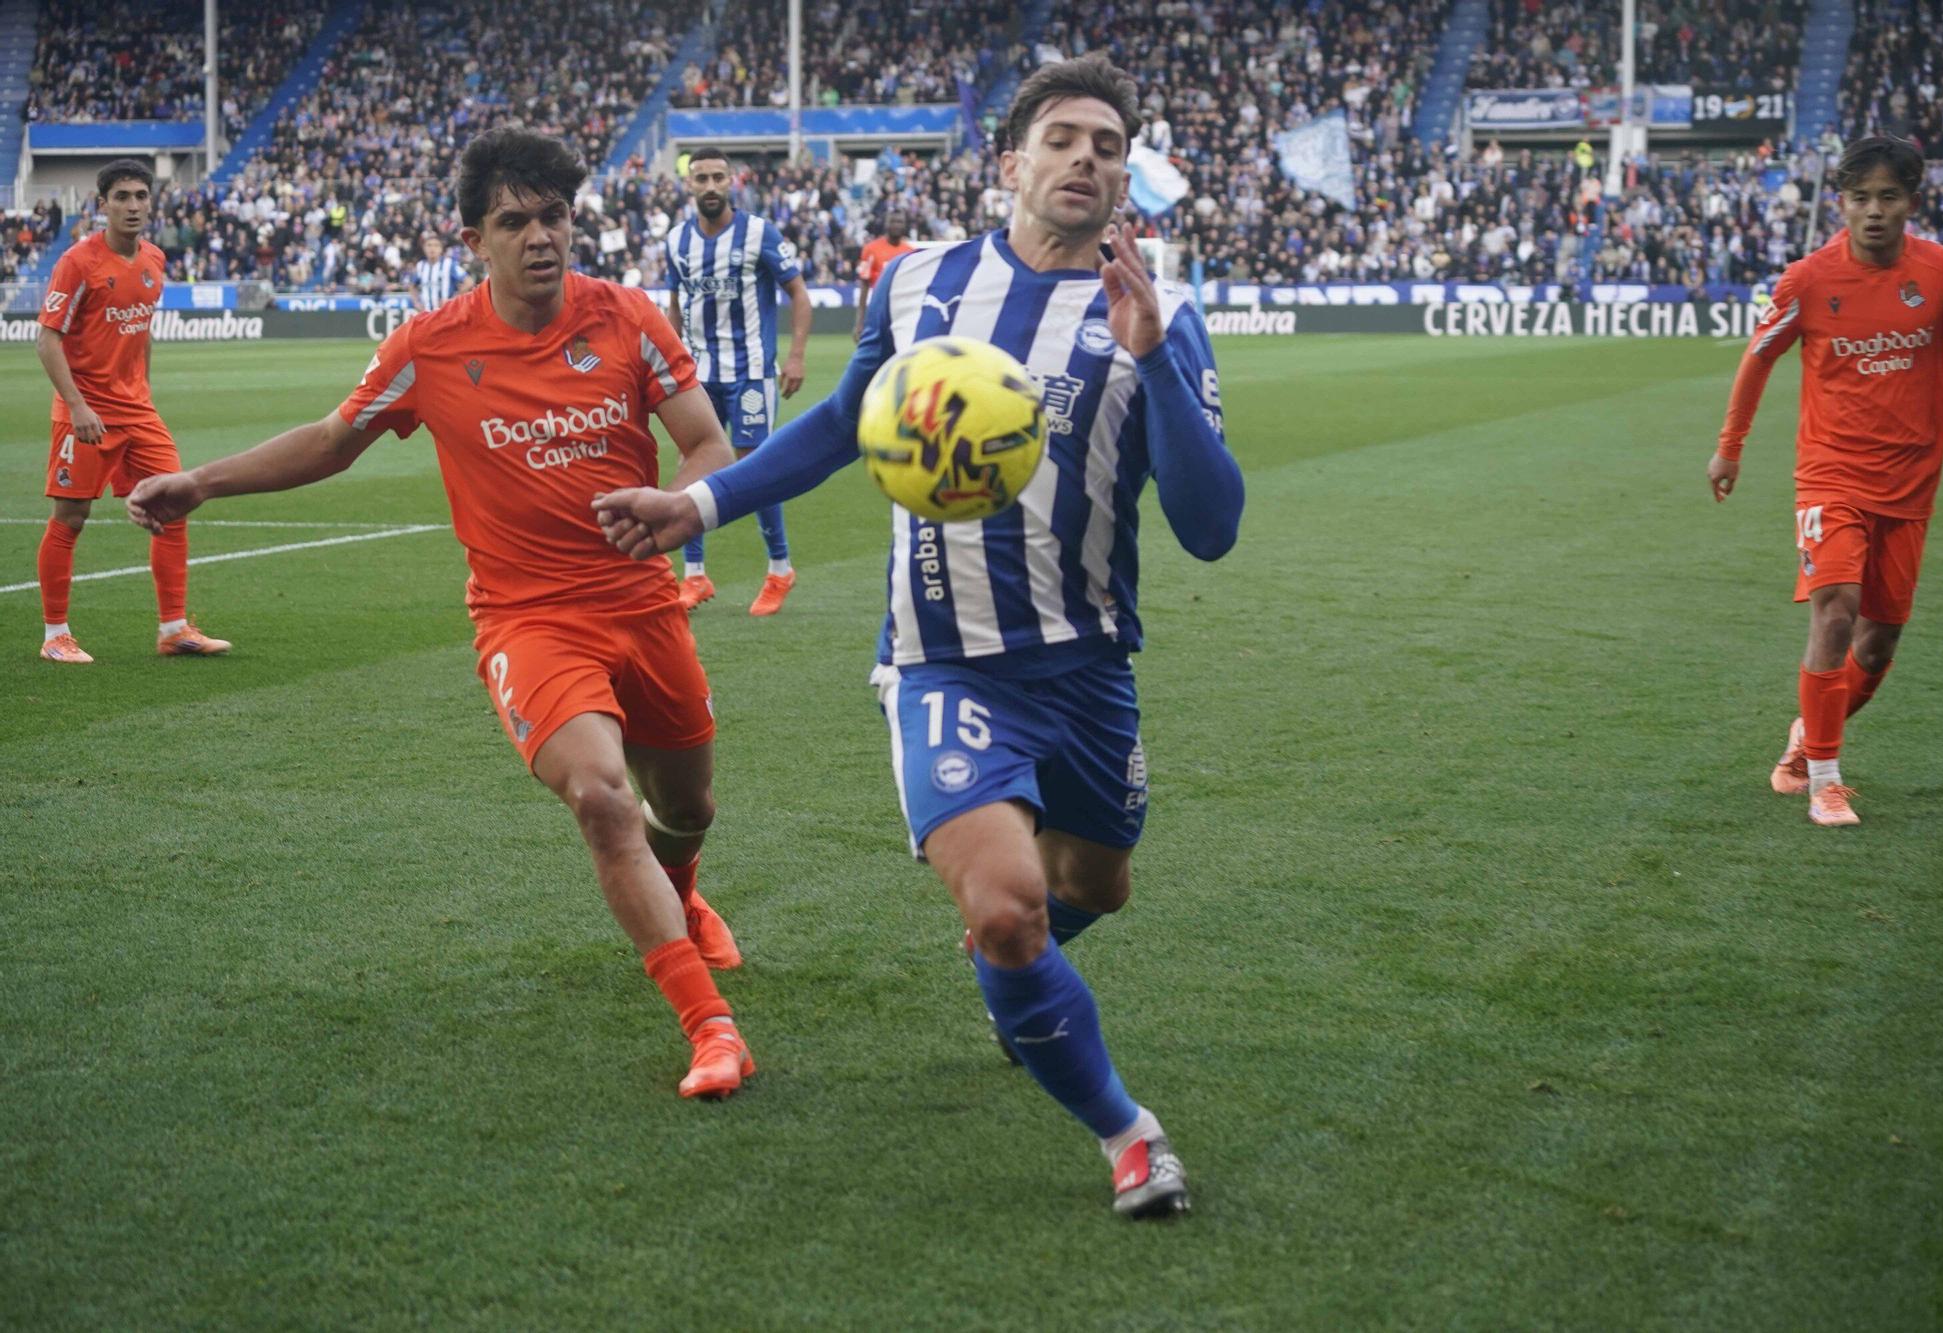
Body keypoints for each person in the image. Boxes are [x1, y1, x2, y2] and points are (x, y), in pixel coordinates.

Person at [595, 54, 1245, 1217]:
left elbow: (1211, 528)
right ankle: (1127, 1135)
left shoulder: (1161, 314)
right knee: (1004, 905)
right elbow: (840, 425)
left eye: (1106, 143)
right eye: (1061, 138)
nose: (1083, 158)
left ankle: (1022, 970)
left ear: (1123, 178)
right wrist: (696, 506)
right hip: (942, 660)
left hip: (1089, 667)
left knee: (1094, 882)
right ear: (1011, 164)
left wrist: (1148, 353)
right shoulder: (921, 284)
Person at [126, 129, 758, 1100]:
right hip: (528, 619)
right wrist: (201, 482)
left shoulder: (628, 318)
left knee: (687, 807)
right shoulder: (432, 344)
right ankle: (709, 1027)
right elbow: (337, 440)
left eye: (554, 216)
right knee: (598, 796)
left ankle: (680, 891)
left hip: (641, 606)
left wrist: (680, 504)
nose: (539, 236)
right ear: (473, 238)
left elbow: (709, 444)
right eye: (515, 220)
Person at [1708, 136, 1943, 827]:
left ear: (1912, 203)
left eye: (1888, 196)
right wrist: (1730, 447)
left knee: (1879, 642)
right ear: (1840, 203)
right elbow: (1757, 358)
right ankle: (1826, 783)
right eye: (1859, 197)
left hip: (1912, 481)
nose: (1873, 211)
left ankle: (1808, 740)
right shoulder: (1808, 279)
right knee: (1835, 608)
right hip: (1830, 472)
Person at [34, 158, 230, 663]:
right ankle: (55, 634)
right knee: (71, 517)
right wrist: (76, 405)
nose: (133, 206)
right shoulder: (79, 262)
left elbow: (139, 334)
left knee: (176, 501)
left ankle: (174, 629)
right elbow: (47, 339)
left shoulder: (155, 260)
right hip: (87, 413)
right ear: (102, 205)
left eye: (141, 196)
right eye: (122, 197)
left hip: (138, 412)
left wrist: (143, 391)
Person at [663, 148, 813, 616]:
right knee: (695, 462)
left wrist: (795, 355)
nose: (710, 186)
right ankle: (695, 576)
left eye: (718, 177)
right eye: (701, 178)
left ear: (732, 182)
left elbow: (798, 293)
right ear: (688, 185)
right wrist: (673, 358)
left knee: (754, 466)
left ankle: (779, 569)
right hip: (699, 373)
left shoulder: (758, 233)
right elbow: (674, 303)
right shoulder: (676, 241)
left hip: (750, 372)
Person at [854, 208, 915, 341]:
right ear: (886, 224)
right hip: (879, 311)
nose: (896, 225)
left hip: (902, 311)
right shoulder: (870, 249)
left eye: (900, 222)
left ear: (905, 225)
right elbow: (864, 285)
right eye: (893, 221)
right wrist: (859, 322)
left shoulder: (910, 252)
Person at [411, 233, 471, 311]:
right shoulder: (420, 265)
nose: (432, 248)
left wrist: (453, 300)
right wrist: (416, 303)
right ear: (424, 248)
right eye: (429, 245)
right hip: (427, 314)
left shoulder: (449, 264)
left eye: (436, 245)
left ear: (441, 249)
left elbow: (469, 282)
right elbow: (412, 286)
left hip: (446, 313)